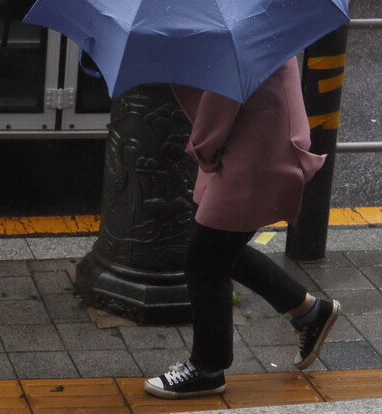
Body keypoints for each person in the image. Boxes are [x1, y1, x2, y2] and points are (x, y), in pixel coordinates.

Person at [144, 56, 341, 399]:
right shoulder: (253, 18)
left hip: (255, 154)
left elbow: (224, 93)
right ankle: (310, 311)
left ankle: (208, 368)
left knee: (203, 260)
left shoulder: (242, 35)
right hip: (248, 145)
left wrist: (204, 151)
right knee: (218, 249)